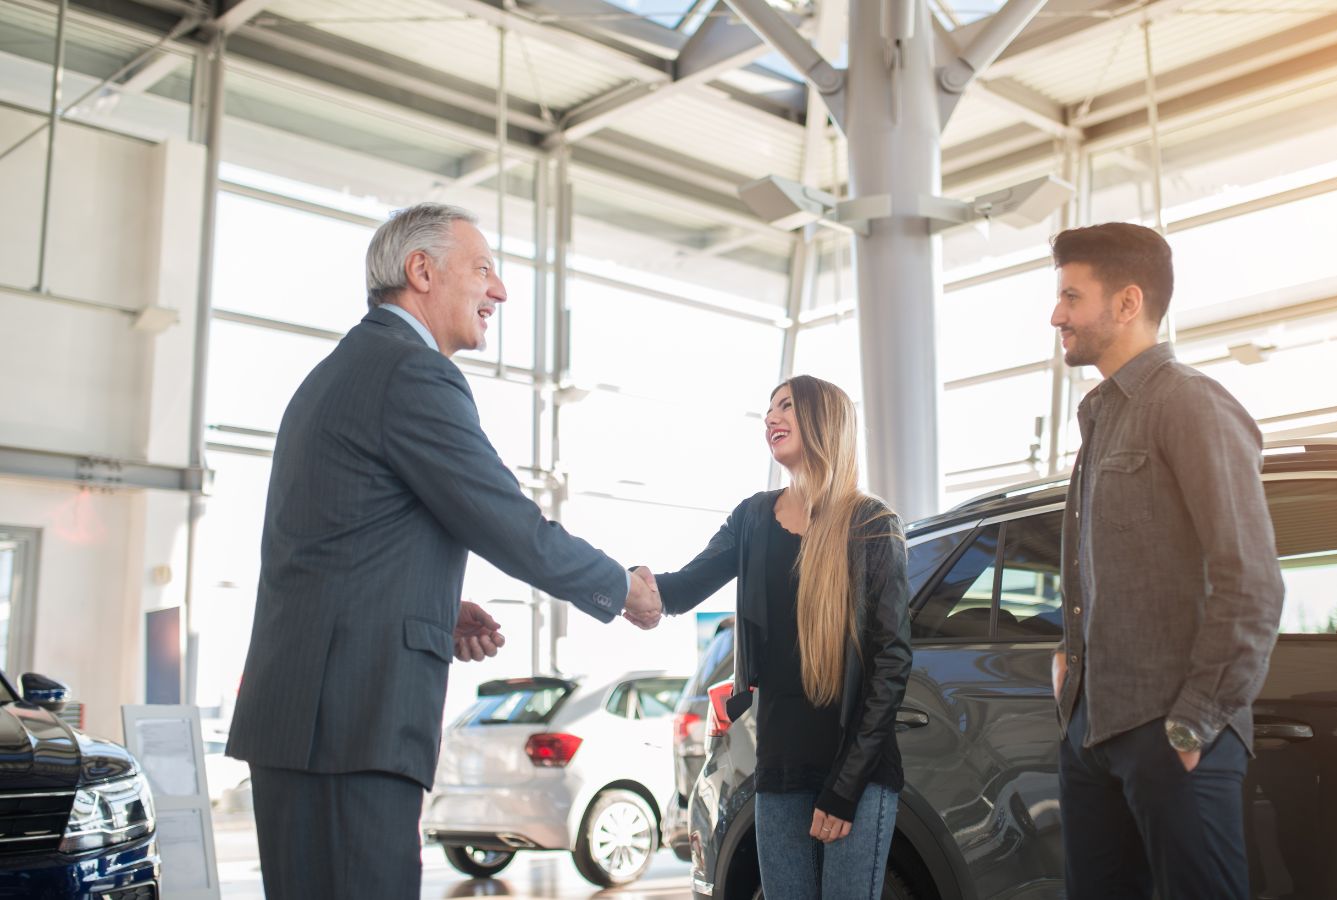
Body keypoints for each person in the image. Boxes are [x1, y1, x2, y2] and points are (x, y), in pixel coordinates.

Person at [225, 203, 662, 899]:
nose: (502, 291)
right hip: (354, 723)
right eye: (484, 269)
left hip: (302, 719)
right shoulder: (411, 373)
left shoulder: (339, 372)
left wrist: (430, 601)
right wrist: (624, 588)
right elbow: (507, 523)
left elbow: (334, 541)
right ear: (420, 271)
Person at [1049, 222, 1285, 898]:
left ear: (1126, 303)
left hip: (1169, 734)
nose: (1056, 314)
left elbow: (1252, 579)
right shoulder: (1102, 419)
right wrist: (1071, 669)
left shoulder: (1189, 402)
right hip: (1093, 732)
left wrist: (1194, 721)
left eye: (1071, 296)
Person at [629, 375, 911, 900]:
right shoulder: (752, 518)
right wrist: (623, 584)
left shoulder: (873, 526)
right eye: (768, 409)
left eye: (787, 406)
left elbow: (891, 663)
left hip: (858, 772)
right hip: (779, 765)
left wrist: (845, 788)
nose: (771, 418)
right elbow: (682, 588)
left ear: (825, 420)